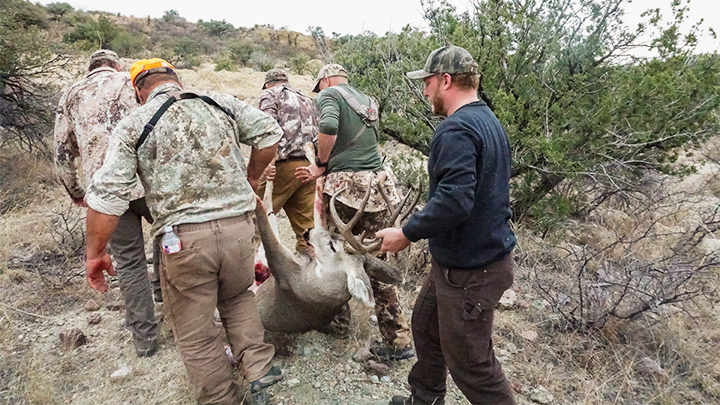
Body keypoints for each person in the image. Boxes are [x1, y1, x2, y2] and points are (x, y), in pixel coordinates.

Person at [83, 58, 283, 405]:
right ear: (176, 79)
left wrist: (95, 253)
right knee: (238, 298)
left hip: (184, 241)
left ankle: (221, 398)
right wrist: (250, 178)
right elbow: (269, 132)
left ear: (137, 90)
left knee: (193, 330)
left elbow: (107, 196)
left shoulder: (135, 123)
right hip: (239, 229)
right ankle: (259, 370)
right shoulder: (220, 101)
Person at [377, 45, 517, 405]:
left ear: (445, 80)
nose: (425, 91)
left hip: (472, 271)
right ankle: (425, 400)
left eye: (427, 83)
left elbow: (455, 200)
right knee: (426, 329)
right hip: (459, 261)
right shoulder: (488, 120)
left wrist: (406, 233)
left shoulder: (456, 129)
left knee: (473, 365)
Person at [296, 63, 414, 361]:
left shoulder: (329, 95)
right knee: (376, 262)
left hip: (345, 191)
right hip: (379, 188)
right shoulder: (367, 98)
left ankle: (339, 323)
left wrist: (320, 164)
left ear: (324, 80)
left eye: (319, 86)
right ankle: (397, 338)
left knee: (337, 257)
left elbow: (329, 127)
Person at [53, 49, 159, 357]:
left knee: (129, 261)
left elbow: (63, 152)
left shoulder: (71, 94)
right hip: (147, 180)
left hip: (107, 192)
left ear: (90, 69)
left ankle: (145, 339)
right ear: (115, 65)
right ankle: (166, 296)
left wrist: (76, 191)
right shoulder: (132, 81)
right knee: (169, 237)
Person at [256, 68, 318, 253]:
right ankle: (312, 271)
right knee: (307, 230)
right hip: (308, 167)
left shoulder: (269, 95)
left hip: (281, 167)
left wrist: (265, 164)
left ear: (268, 84)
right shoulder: (307, 100)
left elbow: (266, 128)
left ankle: (252, 273)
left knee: (253, 219)